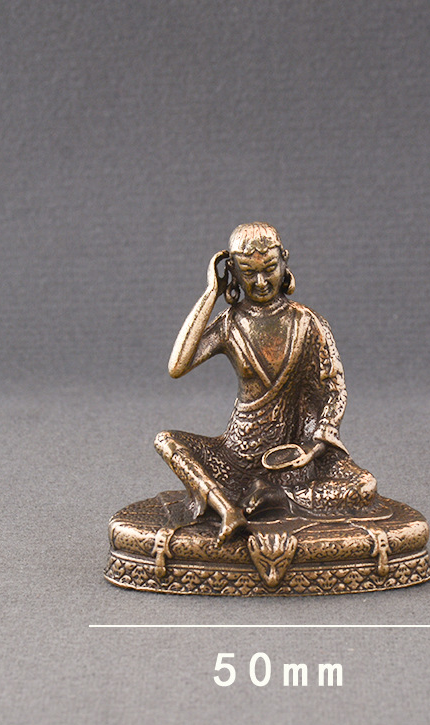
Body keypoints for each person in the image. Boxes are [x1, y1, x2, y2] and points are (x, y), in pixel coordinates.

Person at [154, 223, 377, 545]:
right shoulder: (230, 324)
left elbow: (334, 389)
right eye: (248, 273)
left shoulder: (307, 322)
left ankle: (276, 497)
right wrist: (211, 293)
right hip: (235, 457)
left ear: (284, 261)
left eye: (269, 269)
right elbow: (177, 366)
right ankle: (226, 508)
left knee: (364, 486)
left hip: (295, 459)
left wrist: (315, 445)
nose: (260, 282)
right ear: (233, 272)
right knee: (167, 441)